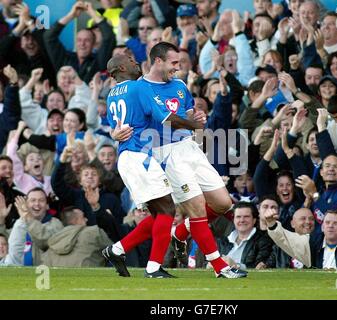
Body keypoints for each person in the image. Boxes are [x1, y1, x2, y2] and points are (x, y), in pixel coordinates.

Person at [106, 44, 247, 279]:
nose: (178, 67)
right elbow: (165, 119)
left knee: (222, 203)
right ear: (159, 62)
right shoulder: (140, 87)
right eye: (174, 63)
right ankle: (219, 267)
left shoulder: (179, 86)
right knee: (190, 209)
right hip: (163, 153)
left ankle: (176, 234)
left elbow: (187, 112)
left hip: (189, 148)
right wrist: (196, 124)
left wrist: (196, 117)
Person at [264, 207, 337, 269]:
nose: (330, 226)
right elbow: (286, 239)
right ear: (322, 226)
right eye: (327, 222)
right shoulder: (312, 242)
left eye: (335, 223)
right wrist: (271, 223)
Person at [0, 188, 63, 266]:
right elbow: (4, 240)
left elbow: (45, 242)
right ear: (27, 204)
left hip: (42, 273)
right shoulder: (20, 222)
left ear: (47, 205)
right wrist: (1, 219)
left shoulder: (55, 223)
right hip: (16, 273)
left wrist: (29, 218)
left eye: (41, 200)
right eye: (33, 200)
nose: (37, 204)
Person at [41, 206, 112, 267]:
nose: (86, 219)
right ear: (75, 221)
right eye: (83, 217)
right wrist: (110, 220)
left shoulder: (53, 242)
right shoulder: (93, 232)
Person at [216, 201, 273, 270]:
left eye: (246, 217)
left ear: (254, 220)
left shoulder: (264, 240)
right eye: (238, 217)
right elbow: (205, 262)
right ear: (233, 220)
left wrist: (236, 266)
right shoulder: (222, 241)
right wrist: (209, 265)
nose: (242, 220)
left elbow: (260, 266)